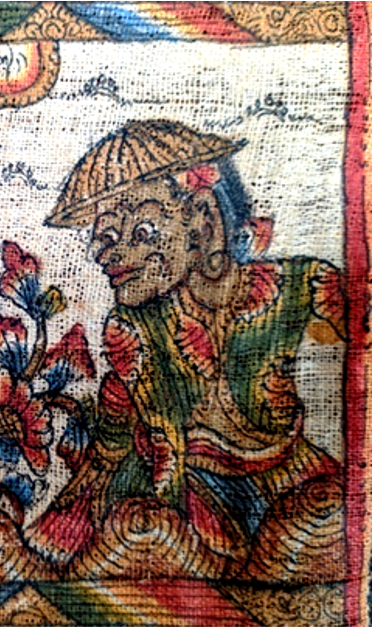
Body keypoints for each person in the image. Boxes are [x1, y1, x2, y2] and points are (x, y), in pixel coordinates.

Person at [31, 119, 345, 582]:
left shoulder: (301, 288)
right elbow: (138, 454)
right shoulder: (131, 329)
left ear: (202, 222)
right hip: (169, 502)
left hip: (295, 481)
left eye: (140, 231)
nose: (106, 255)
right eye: (106, 238)